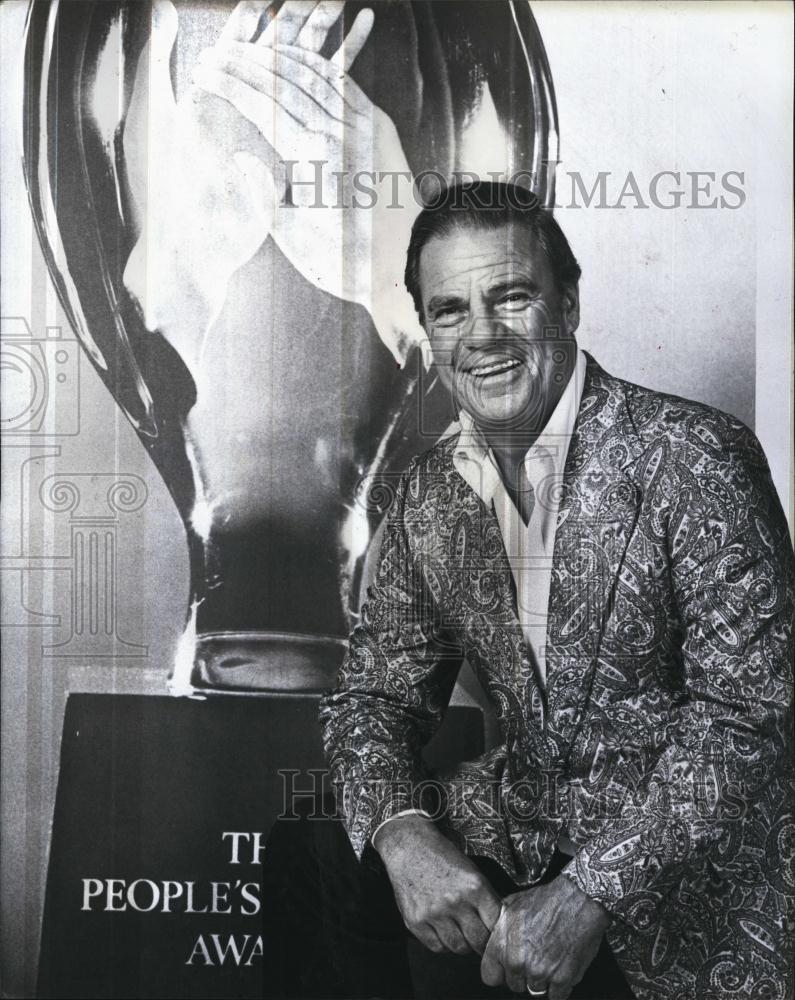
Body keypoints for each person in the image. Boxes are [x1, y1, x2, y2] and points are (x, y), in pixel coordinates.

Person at [260, 181, 794, 1000]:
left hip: (686, 872)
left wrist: (588, 895)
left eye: (510, 297)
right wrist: (402, 835)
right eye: (449, 311)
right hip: (529, 827)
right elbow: (373, 698)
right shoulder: (431, 490)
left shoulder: (695, 455)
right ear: (427, 331)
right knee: (317, 851)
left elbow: (749, 722)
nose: (482, 336)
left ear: (568, 303)